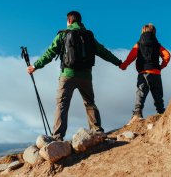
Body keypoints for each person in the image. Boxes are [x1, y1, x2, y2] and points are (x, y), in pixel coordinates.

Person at [27, 11, 122, 141]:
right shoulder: (89, 36)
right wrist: (118, 63)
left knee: (62, 104)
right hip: (86, 76)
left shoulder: (63, 35)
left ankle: (58, 137)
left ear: (69, 21)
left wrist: (35, 66)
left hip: (67, 75)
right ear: (80, 21)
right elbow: (103, 51)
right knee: (89, 103)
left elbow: (49, 53)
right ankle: (97, 130)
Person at [119, 23, 171, 119]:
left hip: (143, 73)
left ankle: (137, 113)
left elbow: (131, 57)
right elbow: (167, 55)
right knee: (158, 95)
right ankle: (162, 113)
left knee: (141, 93)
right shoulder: (157, 45)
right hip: (156, 73)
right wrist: (161, 66)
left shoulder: (138, 44)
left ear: (142, 31)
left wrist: (123, 65)